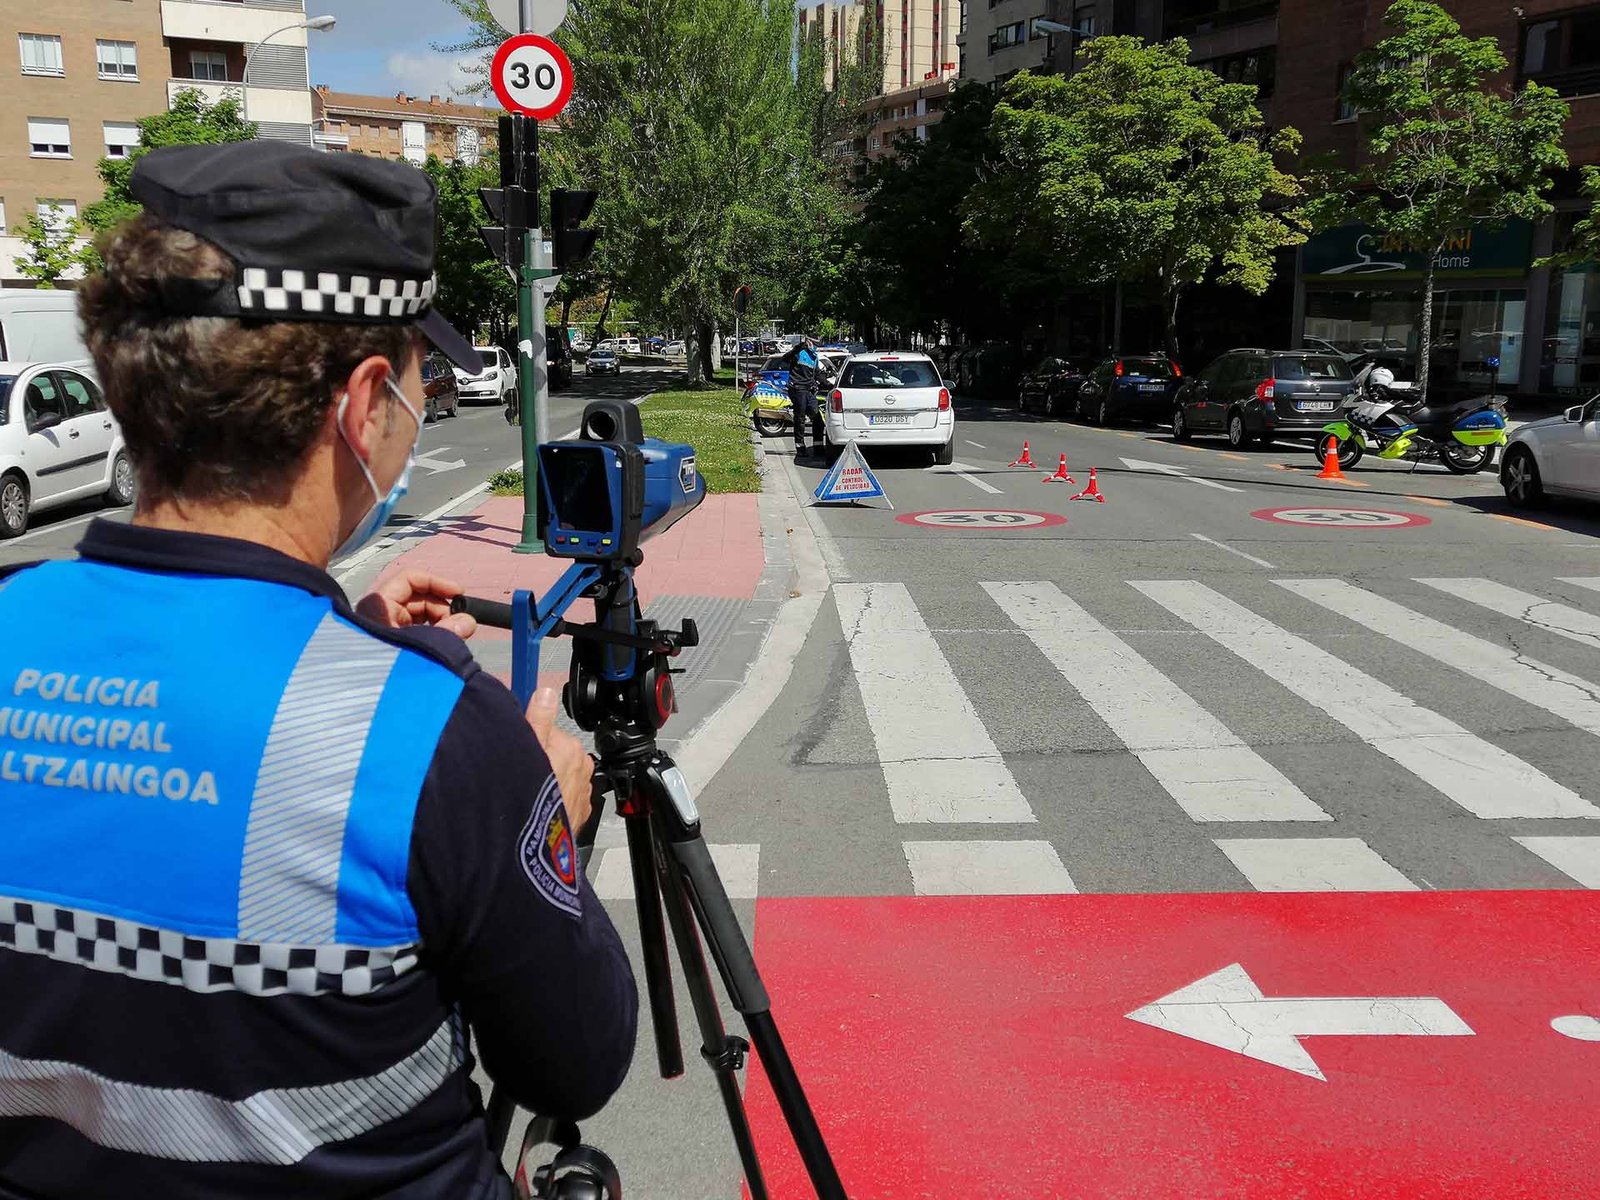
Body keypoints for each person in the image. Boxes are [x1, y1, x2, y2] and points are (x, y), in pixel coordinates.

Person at [0, 143, 637, 1200]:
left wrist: (344, 637)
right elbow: (576, 1060)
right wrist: (547, 817)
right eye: (421, 379)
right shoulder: (435, 734)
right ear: (363, 402)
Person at [782, 337, 827, 457]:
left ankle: (818, 446)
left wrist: (828, 384)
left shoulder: (814, 357)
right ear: (809, 343)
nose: (816, 346)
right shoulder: (799, 353)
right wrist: (796, 349)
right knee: (800, 418)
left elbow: (817, 374)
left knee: (817, 418)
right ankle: (800, 447)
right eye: (815, 344)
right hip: (797, 389)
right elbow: (785, 359)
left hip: (809, 390)